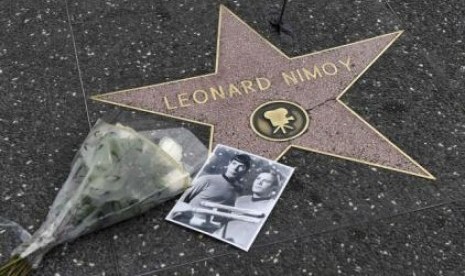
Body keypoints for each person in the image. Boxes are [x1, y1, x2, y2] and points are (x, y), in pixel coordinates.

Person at [171, 153, 252, 232]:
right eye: (234, 163)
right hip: (186, 223)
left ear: (246, 171)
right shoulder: (207, 180)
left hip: (211, 230)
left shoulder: (238, 191)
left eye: (241, 167)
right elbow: (183, 199)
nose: (235, 168)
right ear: (229, 163)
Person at [222, 169, 281, 247]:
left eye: (266, 181)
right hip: (224, 237)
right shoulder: (241, 200)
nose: (259, 182)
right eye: (258, 178)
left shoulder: (271, 205)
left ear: (273, 188)